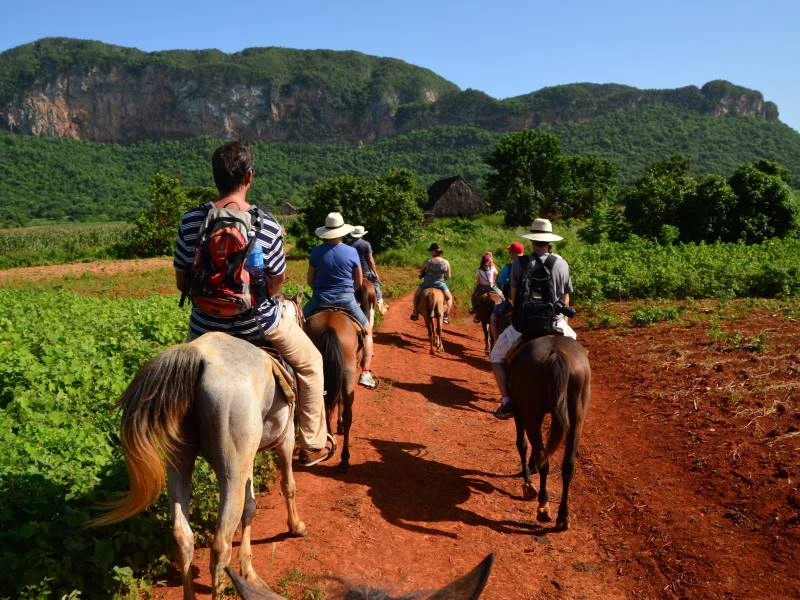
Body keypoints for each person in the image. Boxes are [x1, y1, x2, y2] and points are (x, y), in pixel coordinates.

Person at [173, 141, 332, 467]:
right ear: (249, 176)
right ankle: (313, 440)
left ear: (215, 177)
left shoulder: (191, 221)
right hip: (257, 324)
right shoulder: (269, 224)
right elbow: (275, 285)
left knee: (176, 385)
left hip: (204, 326)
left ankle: (180, 445)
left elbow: (182, 282)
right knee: (312, 364)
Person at [490, 218, 576, 420]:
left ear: (532, 241)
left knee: (495, 356)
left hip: (525, 325)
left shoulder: (518, 263)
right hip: (554, 322)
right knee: (577, 352)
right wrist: (561, 320)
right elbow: (565, 297)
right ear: (550, 241)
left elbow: (512, 297)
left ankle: (507, 401)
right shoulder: (562, 264)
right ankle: (572, 396)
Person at [303, 212, 378, 389]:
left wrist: (319, 291)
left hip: (320, 299)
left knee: (297, 324)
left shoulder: (316, 251)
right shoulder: (351, 251)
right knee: (367, 330)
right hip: (346, 300)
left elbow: (310, 280)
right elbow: (359, 282)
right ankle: (366, 372)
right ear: (342, 231)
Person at [349, 225, 388, 315]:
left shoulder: (348, 244)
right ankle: (381, 308)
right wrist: (375, 273)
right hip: (366, 272)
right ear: (362, 234)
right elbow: (370, 260)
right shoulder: (366, 244)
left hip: (352, 273)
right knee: (376, 285)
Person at [410, 242, 453, 324]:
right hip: (440, 284)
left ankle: (415, 313)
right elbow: (449, 276)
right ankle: (446, 315)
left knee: (416, 295)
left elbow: (420, 271)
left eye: (431, 251)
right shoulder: (446, 262)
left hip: (427, 284)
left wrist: (424, 273)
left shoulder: (428, 261)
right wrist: (443, 278)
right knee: (449, 298)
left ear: (434, 251)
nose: (430, 252)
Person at [469, 251, 504, 320]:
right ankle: (503, 309)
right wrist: (492, 261)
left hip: (482, 287)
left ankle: (474, 309)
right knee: (502, 296)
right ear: (489, 261)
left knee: (474, 297)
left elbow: (478, 281)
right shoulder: (493, 269)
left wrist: (476, 287)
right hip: (492, 287)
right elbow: (496, 275)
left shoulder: (479, 270)